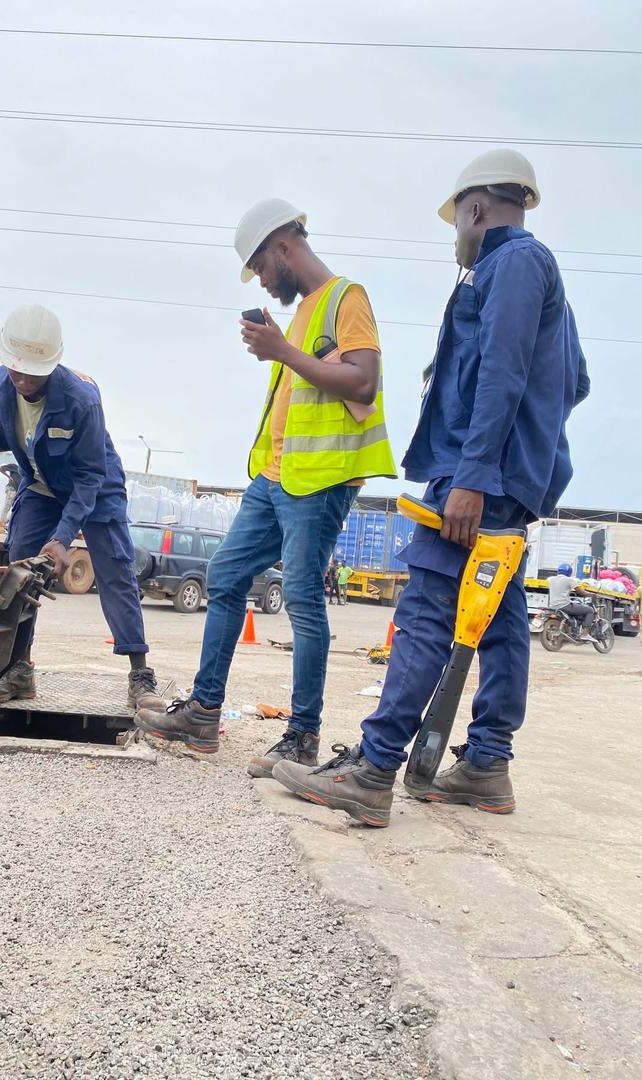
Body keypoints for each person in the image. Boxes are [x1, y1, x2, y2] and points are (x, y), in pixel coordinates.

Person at [272, 149, 591, 825]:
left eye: (456, 224)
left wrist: (475, 474)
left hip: (478, 476)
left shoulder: (513, 262)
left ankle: (374, 769)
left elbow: (502, 371)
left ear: (475, 208)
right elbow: (576, 380)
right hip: (505, 476)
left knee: (426, 608)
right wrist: (528, 449)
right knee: (500, 618)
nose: (455, 238)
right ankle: (487, 765)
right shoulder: (531, 274)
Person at [136, 197, 396, 767]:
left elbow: (363, 382)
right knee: (226, 575)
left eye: (260, 267)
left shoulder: (346, 298)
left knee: (301, 596)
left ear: (283, 247)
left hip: (319, 481)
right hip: (275, 477)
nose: (261, 280)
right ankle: (204, 713)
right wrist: (281, 346)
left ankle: (302, 736)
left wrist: (281, 350)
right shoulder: (302, 313)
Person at [0, 304, 165, 712]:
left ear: (52, 363)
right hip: (42, 486)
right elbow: (17, 435)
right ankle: (19, 669)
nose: (23, 380)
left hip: (96, 487)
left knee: (115, 573)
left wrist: (62, 538)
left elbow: (90, 476)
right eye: (16, 371)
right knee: (21, 571)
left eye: (32, 373)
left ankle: (140, 674)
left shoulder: (81, 400)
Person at [547, 563, 595, 638]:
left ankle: (574, 628)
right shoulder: (569, 580)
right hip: (565, 606)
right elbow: (581, 592)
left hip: (552, 606)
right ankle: (585, 634)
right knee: (590, 610)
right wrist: (593, 595)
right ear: (569, 572)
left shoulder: (551, 579)